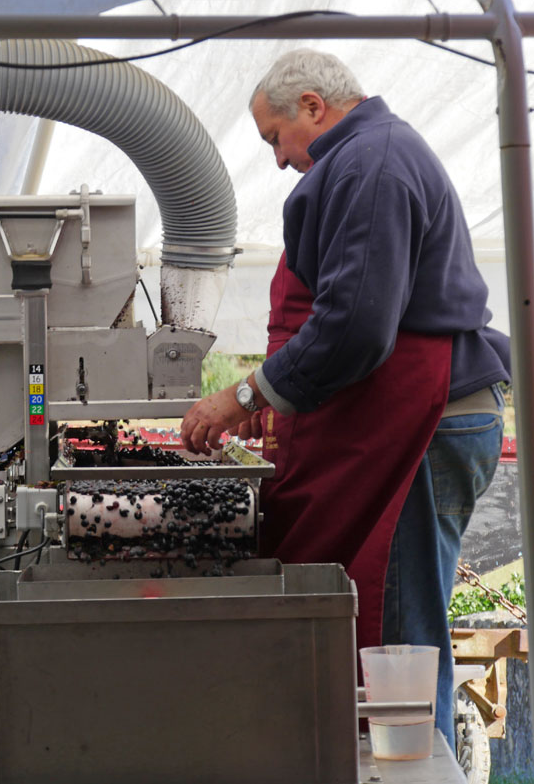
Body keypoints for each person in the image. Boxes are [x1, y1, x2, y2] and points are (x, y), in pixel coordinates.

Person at [180, 48, 509, 751]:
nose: (275, 159)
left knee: (402, 634)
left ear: (312, 106)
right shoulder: (365, 158)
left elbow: (356, 325)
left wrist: (242, 396)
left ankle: (415, 765)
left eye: (274, 137)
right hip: (420, 420)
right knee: (405, 624)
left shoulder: (371, 163)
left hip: (426, 423)